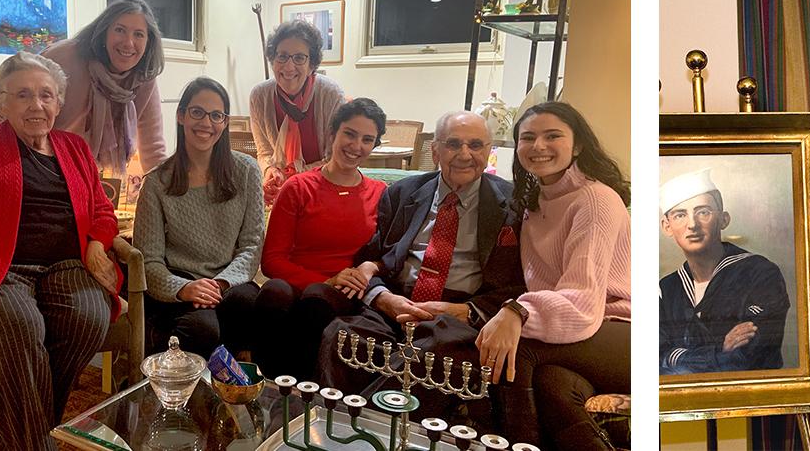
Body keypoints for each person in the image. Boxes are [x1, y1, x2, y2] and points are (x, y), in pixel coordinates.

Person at [0, 51, 123, 451]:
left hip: (66, 266)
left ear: (59, 103)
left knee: (91, 315)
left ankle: (3, 441)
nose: (37, 105)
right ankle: (36, 443)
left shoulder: (75, 148)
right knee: (19, 326)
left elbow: (102, 209)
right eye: (24, 95)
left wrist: (97, 243)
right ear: (3, 102)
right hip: (2, 268)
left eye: (47, 95)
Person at [314, 111, 525, 422]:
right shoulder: (403, 193)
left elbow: (521, 282)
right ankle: (334, 424)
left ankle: (357, 427)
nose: (465, 154)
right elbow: (370, 258)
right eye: (453, 144)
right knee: (340, 333)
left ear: (488, 150)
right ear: (435, 151)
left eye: (475, 145)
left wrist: (467, 311)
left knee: (433, 354)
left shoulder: (514, 204)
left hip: (459, 313)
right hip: (397, 299)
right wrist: (382, 298)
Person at [474, 102, 631, 450]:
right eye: (527, 137)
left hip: (624, 329)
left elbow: (582, 300)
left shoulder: (594, 200)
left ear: (577, 145)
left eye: (553, 136)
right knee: (555, 384)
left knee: (521, 349)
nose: (538, 146)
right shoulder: (535, 203)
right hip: (583, 333)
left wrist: (517, 312)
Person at [254, 98, 389, 378]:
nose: (356, 146)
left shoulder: (381, 193)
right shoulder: (298, 187)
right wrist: (325, 280)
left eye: (367, 139)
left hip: (347, 291)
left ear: (374, 146)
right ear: (332, 134)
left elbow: (387, 254)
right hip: (300, 282)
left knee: (317, 299)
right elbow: (271, 260)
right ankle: (267, 388)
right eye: (349, 134)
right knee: (273, 291)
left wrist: (364, 271)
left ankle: (303, 392)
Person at [133, 77, 265, 358]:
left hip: (228, 282)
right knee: (203, 329)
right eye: (197, 112)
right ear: (181, 116)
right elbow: (150, 260)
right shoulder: (157, 182)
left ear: (225, 122)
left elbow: (252, 245)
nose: (206, 123)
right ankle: (171, 386)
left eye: (216, 115)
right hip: (179, 283)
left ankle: (236, 387)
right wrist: (184, 289)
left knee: (247, 301)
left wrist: (220, 284)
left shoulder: (247, 171)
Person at [0, 0, 167, 173]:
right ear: (104, 32)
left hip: (82, 172)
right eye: (120, 30)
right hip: (29, 158)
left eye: (139, 34)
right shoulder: (66, 56)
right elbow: (7, 101)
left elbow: (154, 149)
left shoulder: (144, 78)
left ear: (149, 41)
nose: (128, 42)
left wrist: (169, 195)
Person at [657, 168, 790, 375]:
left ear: (724, 219)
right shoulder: (666, 289)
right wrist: (720, 350)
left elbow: (745, 359)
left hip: (751, 400)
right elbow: (653, 360)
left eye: (703, 212)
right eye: (680, 215)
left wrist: (678, 359)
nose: (692, 224)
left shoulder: (760, 274)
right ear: (667, 226)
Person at [250, 20, 347, 205]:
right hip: (282, 192)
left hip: (322, 191)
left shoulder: (331, 94)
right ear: (272, 60)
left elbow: (335, 159)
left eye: (299, 58)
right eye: (282, 56)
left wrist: (293, 179)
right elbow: (264, 153)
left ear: (312, 64)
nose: (288, 67)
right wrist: (271, 172)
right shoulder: (259, 96)